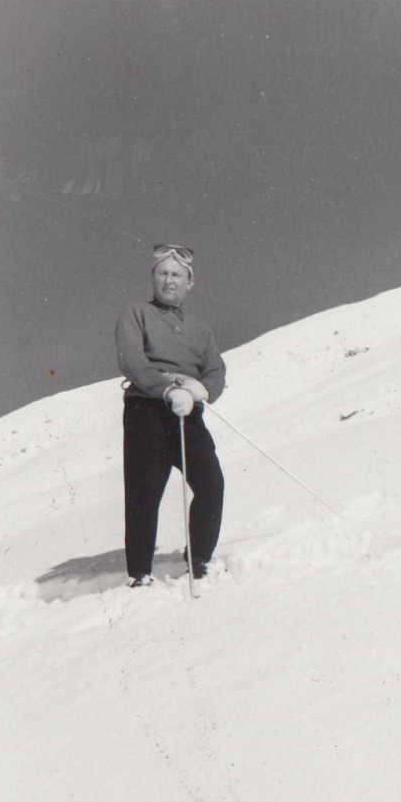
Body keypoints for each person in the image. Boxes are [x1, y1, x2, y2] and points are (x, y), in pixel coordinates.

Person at [114, 244, 226, 587]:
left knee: (210, 482)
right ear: (153, 278)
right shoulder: (136, 313)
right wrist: (165, 389)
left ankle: (199, 558)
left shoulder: (200, 329)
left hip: (187, 413)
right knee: (144, 491)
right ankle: (140, 572)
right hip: (146, 409)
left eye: (177, 275)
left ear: (189, 283)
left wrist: (201, 391)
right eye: (163, 273)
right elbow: (132, 359)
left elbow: (215, 370)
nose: (169, 280)